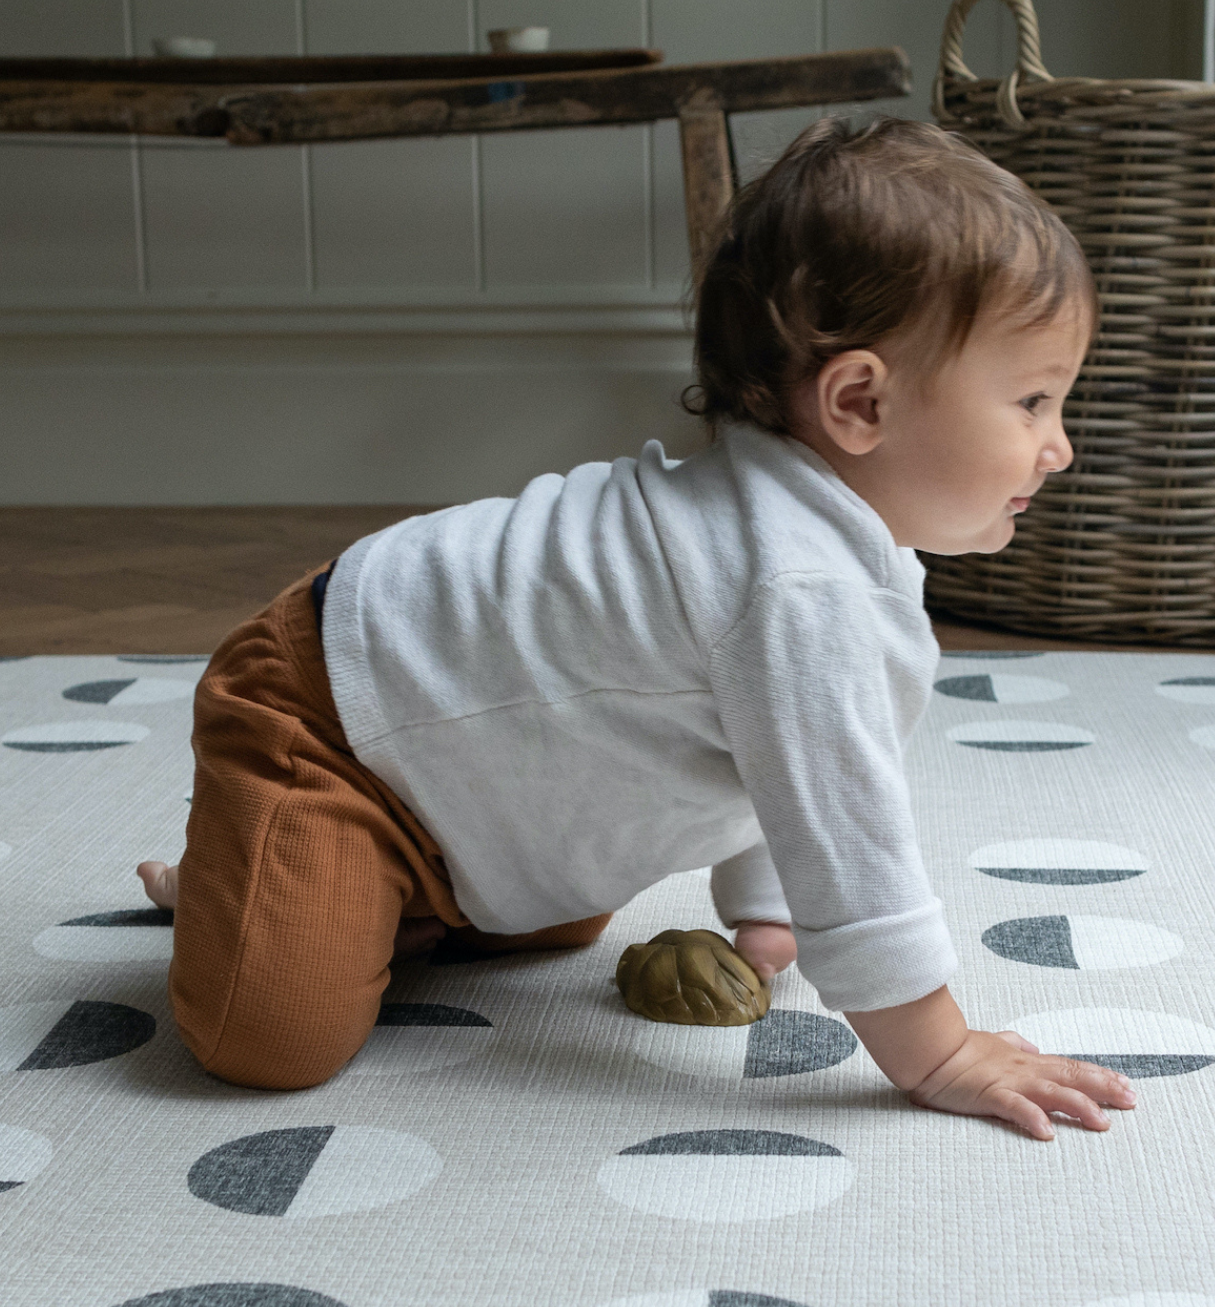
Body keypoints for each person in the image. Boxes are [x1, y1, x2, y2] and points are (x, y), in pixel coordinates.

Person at [138, 115, 1135, 1142]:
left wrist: (766, 906)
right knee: (272, 1039)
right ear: (859, 403)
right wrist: (943, 1053)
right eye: (1032, 402)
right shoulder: (796, 584)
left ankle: (346, 888)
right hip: (324, 713)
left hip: (450, 758)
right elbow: (851, 833)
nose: (1058, 448)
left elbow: (786, 762)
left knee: (559, 912)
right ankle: (240, 871)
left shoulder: (818, 555)